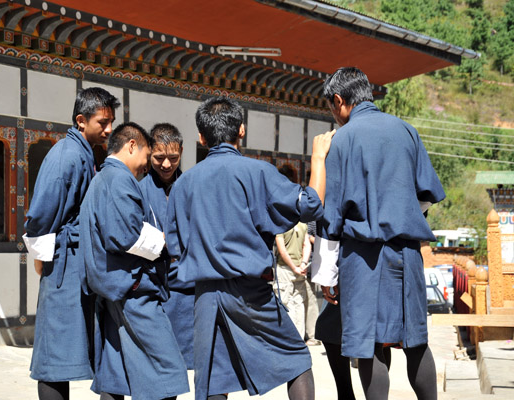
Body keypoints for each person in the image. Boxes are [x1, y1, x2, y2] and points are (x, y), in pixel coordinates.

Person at [166, 96, 335, 400]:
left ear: (201, 138)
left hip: (204, 293)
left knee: (213, 380)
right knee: (295, 358)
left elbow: (174, 245)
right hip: (249, 291)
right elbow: (311, 206)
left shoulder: (183, 184)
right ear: (241, 130)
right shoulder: (258, 172)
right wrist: (319, 158)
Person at [312, 67, 445, 400]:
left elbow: (332, 214)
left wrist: (326, 274)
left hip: (363, 256)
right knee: (415, 342)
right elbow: (426, 194)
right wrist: (397, 211)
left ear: (339, 101)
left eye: (331, 107)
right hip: (407, 253)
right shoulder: (406, 131)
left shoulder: (342, 139)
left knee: (370, 344)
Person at [79, 122, 189, 400]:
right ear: (132, 146)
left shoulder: (103, 177)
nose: (149, 166)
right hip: (134, 290)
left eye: (172, 158)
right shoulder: (120, 179)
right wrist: (167, 242)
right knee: (166, 371)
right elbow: (125, 236)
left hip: (114, 287)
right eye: (149, 156)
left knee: (116, 376)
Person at [23, 87, 120, 400]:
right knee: (54, 357)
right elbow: (39, 215)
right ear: (81, 120)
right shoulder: (66, 153)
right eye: (102, 122)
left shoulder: (85, 152)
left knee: (66, 349)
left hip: (77, 262)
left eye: (111, 122)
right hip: (63, 261)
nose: (108, 129)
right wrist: (42, 258)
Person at [138, 123, 194, 369]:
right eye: (159, 158)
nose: (167, 165)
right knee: (158, 367)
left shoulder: (192, 186)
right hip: (154, 286)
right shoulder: (138, 190)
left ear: (181, 151)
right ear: (149, 152)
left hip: (188, 289)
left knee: (189, 365)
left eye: (173, 157)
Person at [274, 165, 316, 341]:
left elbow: (281, 248)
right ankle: (299, 342)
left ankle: (286, 342)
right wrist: (303, 265)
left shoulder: (280, 220)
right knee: (299, 306)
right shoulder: (302, 221)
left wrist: (295, 266)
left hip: (285, 268)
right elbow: (307, 243)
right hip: (299, 267)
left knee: (284, 306)